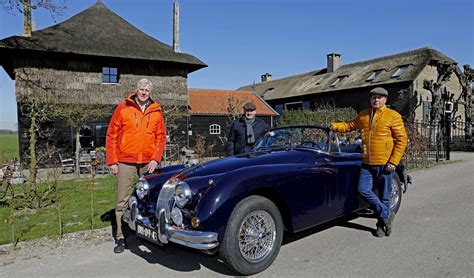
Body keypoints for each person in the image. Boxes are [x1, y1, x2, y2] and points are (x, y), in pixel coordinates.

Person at [330, 87, 407, 237]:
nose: (376, 100)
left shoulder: (393, 116)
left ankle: (380, 225)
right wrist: (333, 126)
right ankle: (386, 215)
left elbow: (402, 140)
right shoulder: (364, 115)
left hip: (385, 163)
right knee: (363, 190)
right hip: (367, 162)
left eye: (379, 97)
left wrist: (393, 162)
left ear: (385, 99)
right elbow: (349, 126)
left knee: (384, 195)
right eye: (373, 97)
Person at [106, 78, 166, 253]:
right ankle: (120, 237)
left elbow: (161, 137)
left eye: (147, 90)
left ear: (150, 92)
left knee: (148, 198)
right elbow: (111, 135)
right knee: (122, 201)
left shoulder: (156, 110)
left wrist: (156, 158)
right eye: (141, 89)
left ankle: (145, 232)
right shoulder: (123, 107)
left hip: (148, 163)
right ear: (136, 89)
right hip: (126, 162)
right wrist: (112, 161)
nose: (143, 92)